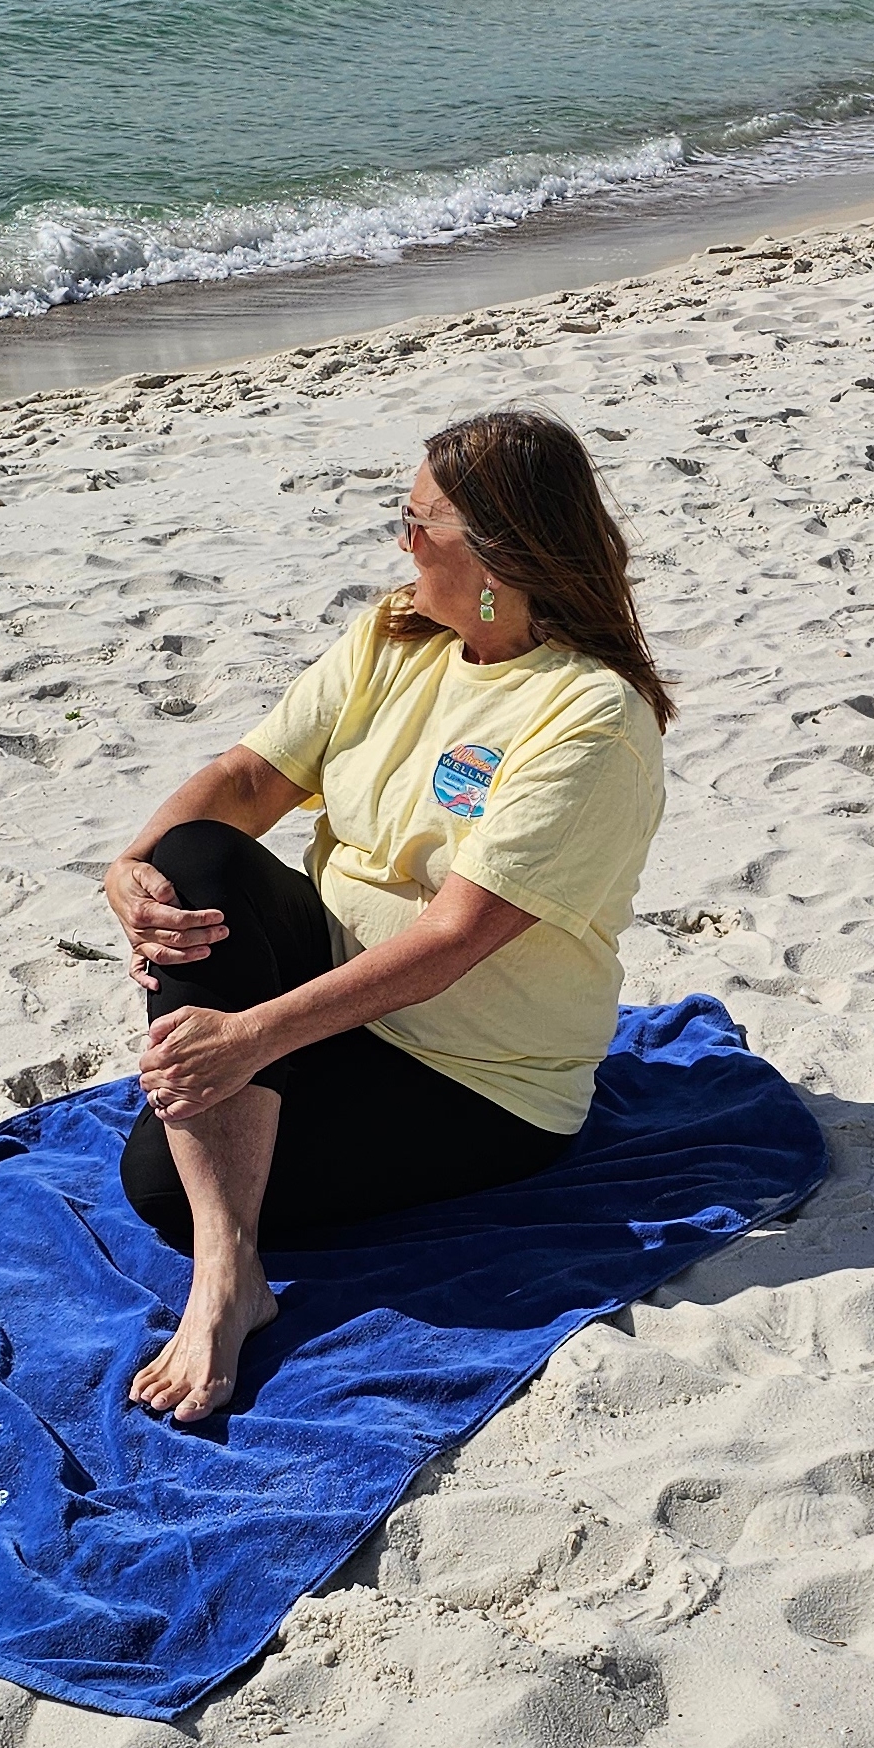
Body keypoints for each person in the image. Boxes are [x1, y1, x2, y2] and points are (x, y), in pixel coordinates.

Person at [103, 408, 675, 1424]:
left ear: (503, 554)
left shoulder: (588, 717)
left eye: (422, 524)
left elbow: (458, 937)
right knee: (197, 856)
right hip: (337, 992)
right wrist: (132, 866)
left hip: (473, 1074)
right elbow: (245, 776)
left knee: (158, 1181)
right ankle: (231, 1271)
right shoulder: (393, 636)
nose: (401, 542)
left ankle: (228, 1252)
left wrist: (249, 1038)